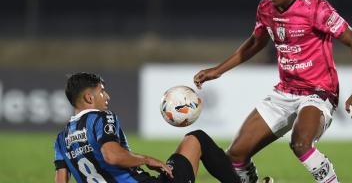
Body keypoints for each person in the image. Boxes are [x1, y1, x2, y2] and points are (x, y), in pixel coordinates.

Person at [193, 0, 352, 183]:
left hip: (318, 92)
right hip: (284, 92)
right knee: (235, 154)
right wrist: (218, 70)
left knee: (300, 144)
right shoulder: (266, 9)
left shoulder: (316, 8)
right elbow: (256, 42)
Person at [54, 72, 242, 183]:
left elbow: (61, 180)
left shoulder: (61, 140)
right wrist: (147, 159)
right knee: (197, 138)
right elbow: (111, 155)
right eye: (102, 91)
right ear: (89, 98)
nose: (107, 96)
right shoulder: (101, 118)